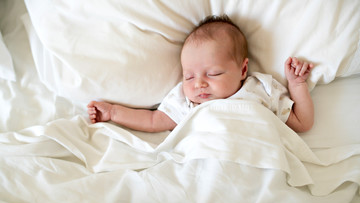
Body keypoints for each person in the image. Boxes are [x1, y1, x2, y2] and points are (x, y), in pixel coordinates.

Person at [87, 15, 314, 133]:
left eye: (213, 73)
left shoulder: (261, 89)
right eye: (189, 77)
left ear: (243, 69)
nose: (199, 84)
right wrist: (114, 112)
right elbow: (153, 120)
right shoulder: (187, 103)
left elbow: (302, 123)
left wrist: (297, 84)